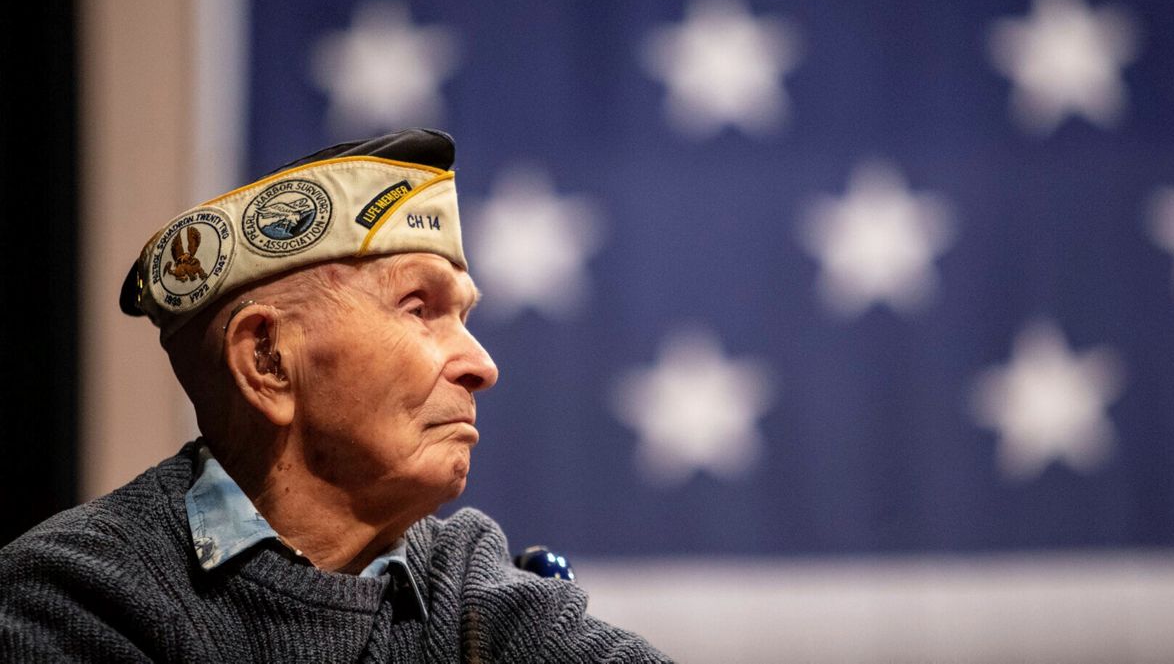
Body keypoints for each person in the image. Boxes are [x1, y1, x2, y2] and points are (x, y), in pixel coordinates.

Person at [0, 129, 671, 662]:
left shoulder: (468, 585)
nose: (482, 365)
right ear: (267, 361)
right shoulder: (77, 598)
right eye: (419, 308)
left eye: (463, 316)